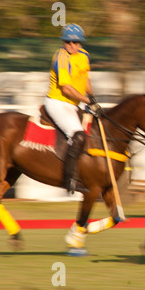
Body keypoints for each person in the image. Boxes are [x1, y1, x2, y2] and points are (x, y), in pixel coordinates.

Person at [44, 23, 96, 193]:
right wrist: (86, 101)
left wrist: (93, 98)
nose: (72, 46)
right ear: (63, 42)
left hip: (74, 103)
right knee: (78, 136)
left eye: (76, 42)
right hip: (57, 102)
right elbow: (66, 88)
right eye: (68, 42)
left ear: (81, 43)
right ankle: (70, 179)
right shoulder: (61, 57)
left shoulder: (84, 55)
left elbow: (85, 78)